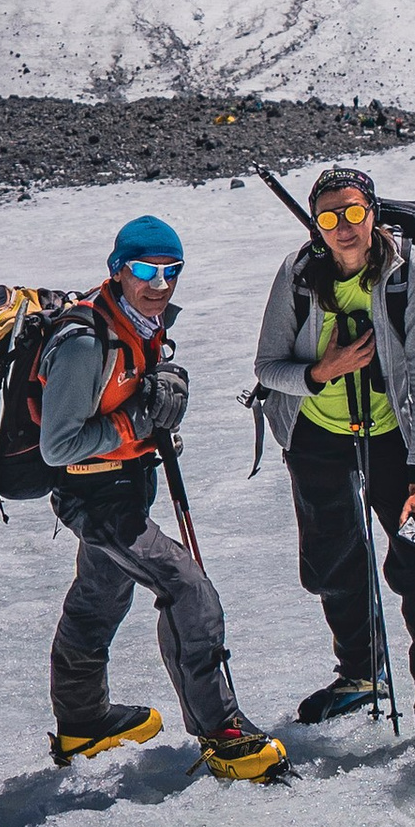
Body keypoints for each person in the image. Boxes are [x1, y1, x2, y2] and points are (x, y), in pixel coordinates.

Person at [37, 214, 287, 776]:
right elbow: (58, 445)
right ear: (118, 270)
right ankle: (222, 733)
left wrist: (152, 422)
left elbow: (127, 402)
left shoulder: (139, 323)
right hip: (96, 498)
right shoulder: (85, 343)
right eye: (145, 270)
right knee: (187, 590)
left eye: (171, 271)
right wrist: (137, 422)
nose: (160, 283)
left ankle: (82, 722)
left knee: (99, 597)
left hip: (124, 486)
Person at [252, 166, 415, 747]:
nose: (343, 227)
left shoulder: (410, 273)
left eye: (353, 212)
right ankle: (362, 673)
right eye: (329, 217)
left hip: (392, 437)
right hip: (317, 435)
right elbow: (268, 367)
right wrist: (322, 372)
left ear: (373, 212)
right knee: (333, 561)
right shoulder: (299, 274)